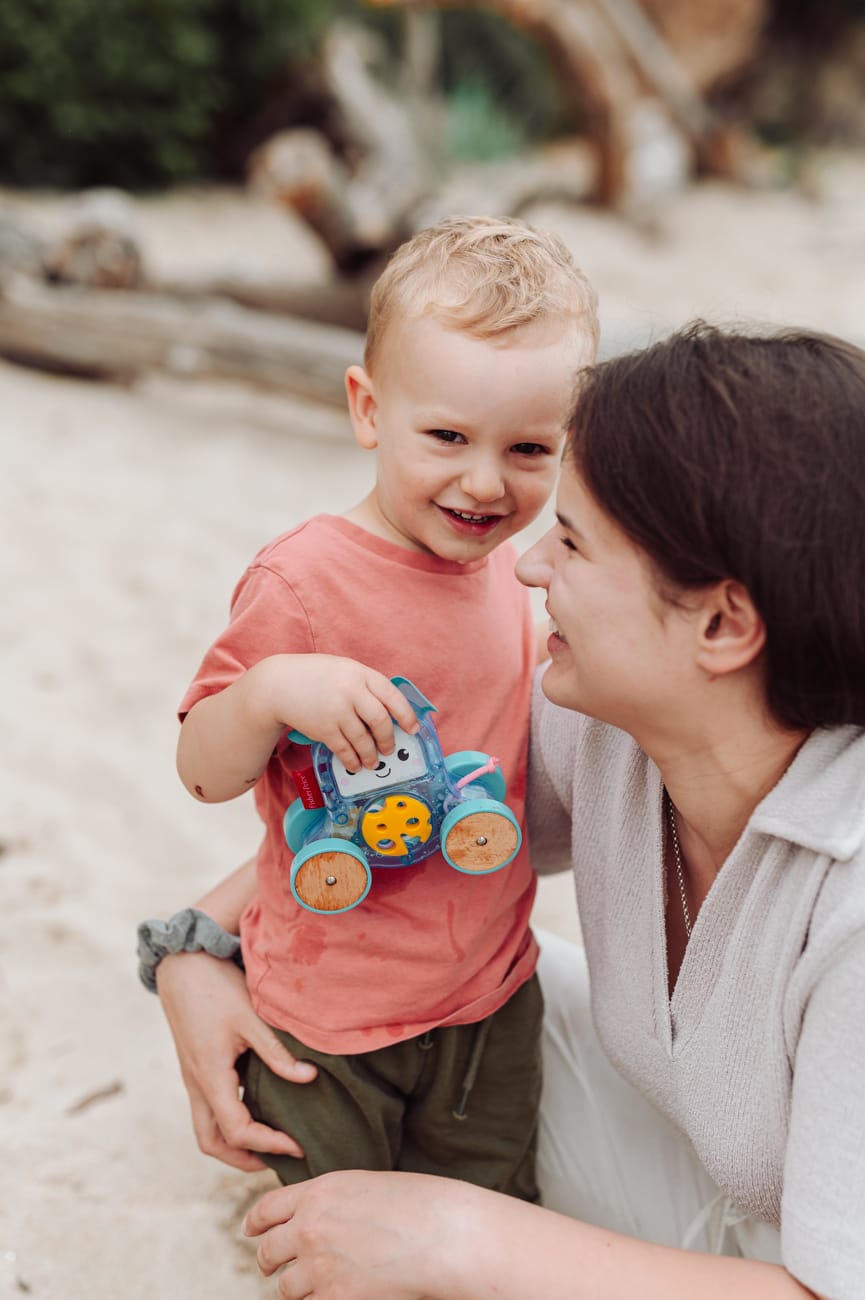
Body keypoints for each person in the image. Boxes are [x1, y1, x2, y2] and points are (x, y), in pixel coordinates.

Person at [152, 321, 865, 1299]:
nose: (526, 569)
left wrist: (454, 1238)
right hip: (718, 1195)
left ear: (721, 622)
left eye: (569, 542)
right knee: (352, 1054)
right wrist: (194, 948)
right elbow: (415, 823)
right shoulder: (614, 725)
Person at [141, 214, 600, 1198]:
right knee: (330, 1226)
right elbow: (202, 770)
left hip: (487, 995)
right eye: (445, 437)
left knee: (480, 1204)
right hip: (324, 1012)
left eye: (528, 449)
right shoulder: (303, 580)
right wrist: (269, 692)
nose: (482, 481)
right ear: (366, 409)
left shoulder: (513, 578)